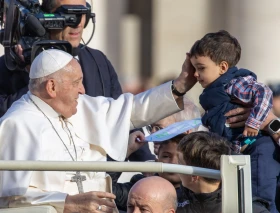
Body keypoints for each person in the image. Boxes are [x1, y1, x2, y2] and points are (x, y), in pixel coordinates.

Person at [0, 48, 196, 213]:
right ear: (52, 87)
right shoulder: (17, 124)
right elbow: (11, 196)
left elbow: (133, 109)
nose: (83, 90)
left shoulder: (82, 106)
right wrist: (67, 202)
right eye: (76, 82)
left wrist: (179, 86)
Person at [188, 30, 280, 212]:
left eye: (201, 68)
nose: (196, 75)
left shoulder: (233, 84)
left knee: (259, 199)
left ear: (223, 67)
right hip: (240, 152)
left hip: (258, 148)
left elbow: (263, 92)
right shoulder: (213, 92)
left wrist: (256, 121)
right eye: (194, 69)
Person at [177, 131, 270, 213]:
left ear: (194, 176)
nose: (175, 167)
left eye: (180, 163)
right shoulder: (173, 200)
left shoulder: (249, 209)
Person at [113, 134, 188, 212]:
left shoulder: (196, 194)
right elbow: (107, 189)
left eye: (180, 158)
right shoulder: (139, 188)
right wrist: (128, 150)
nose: (173, 163)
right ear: (157, 160)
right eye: (166, 156)